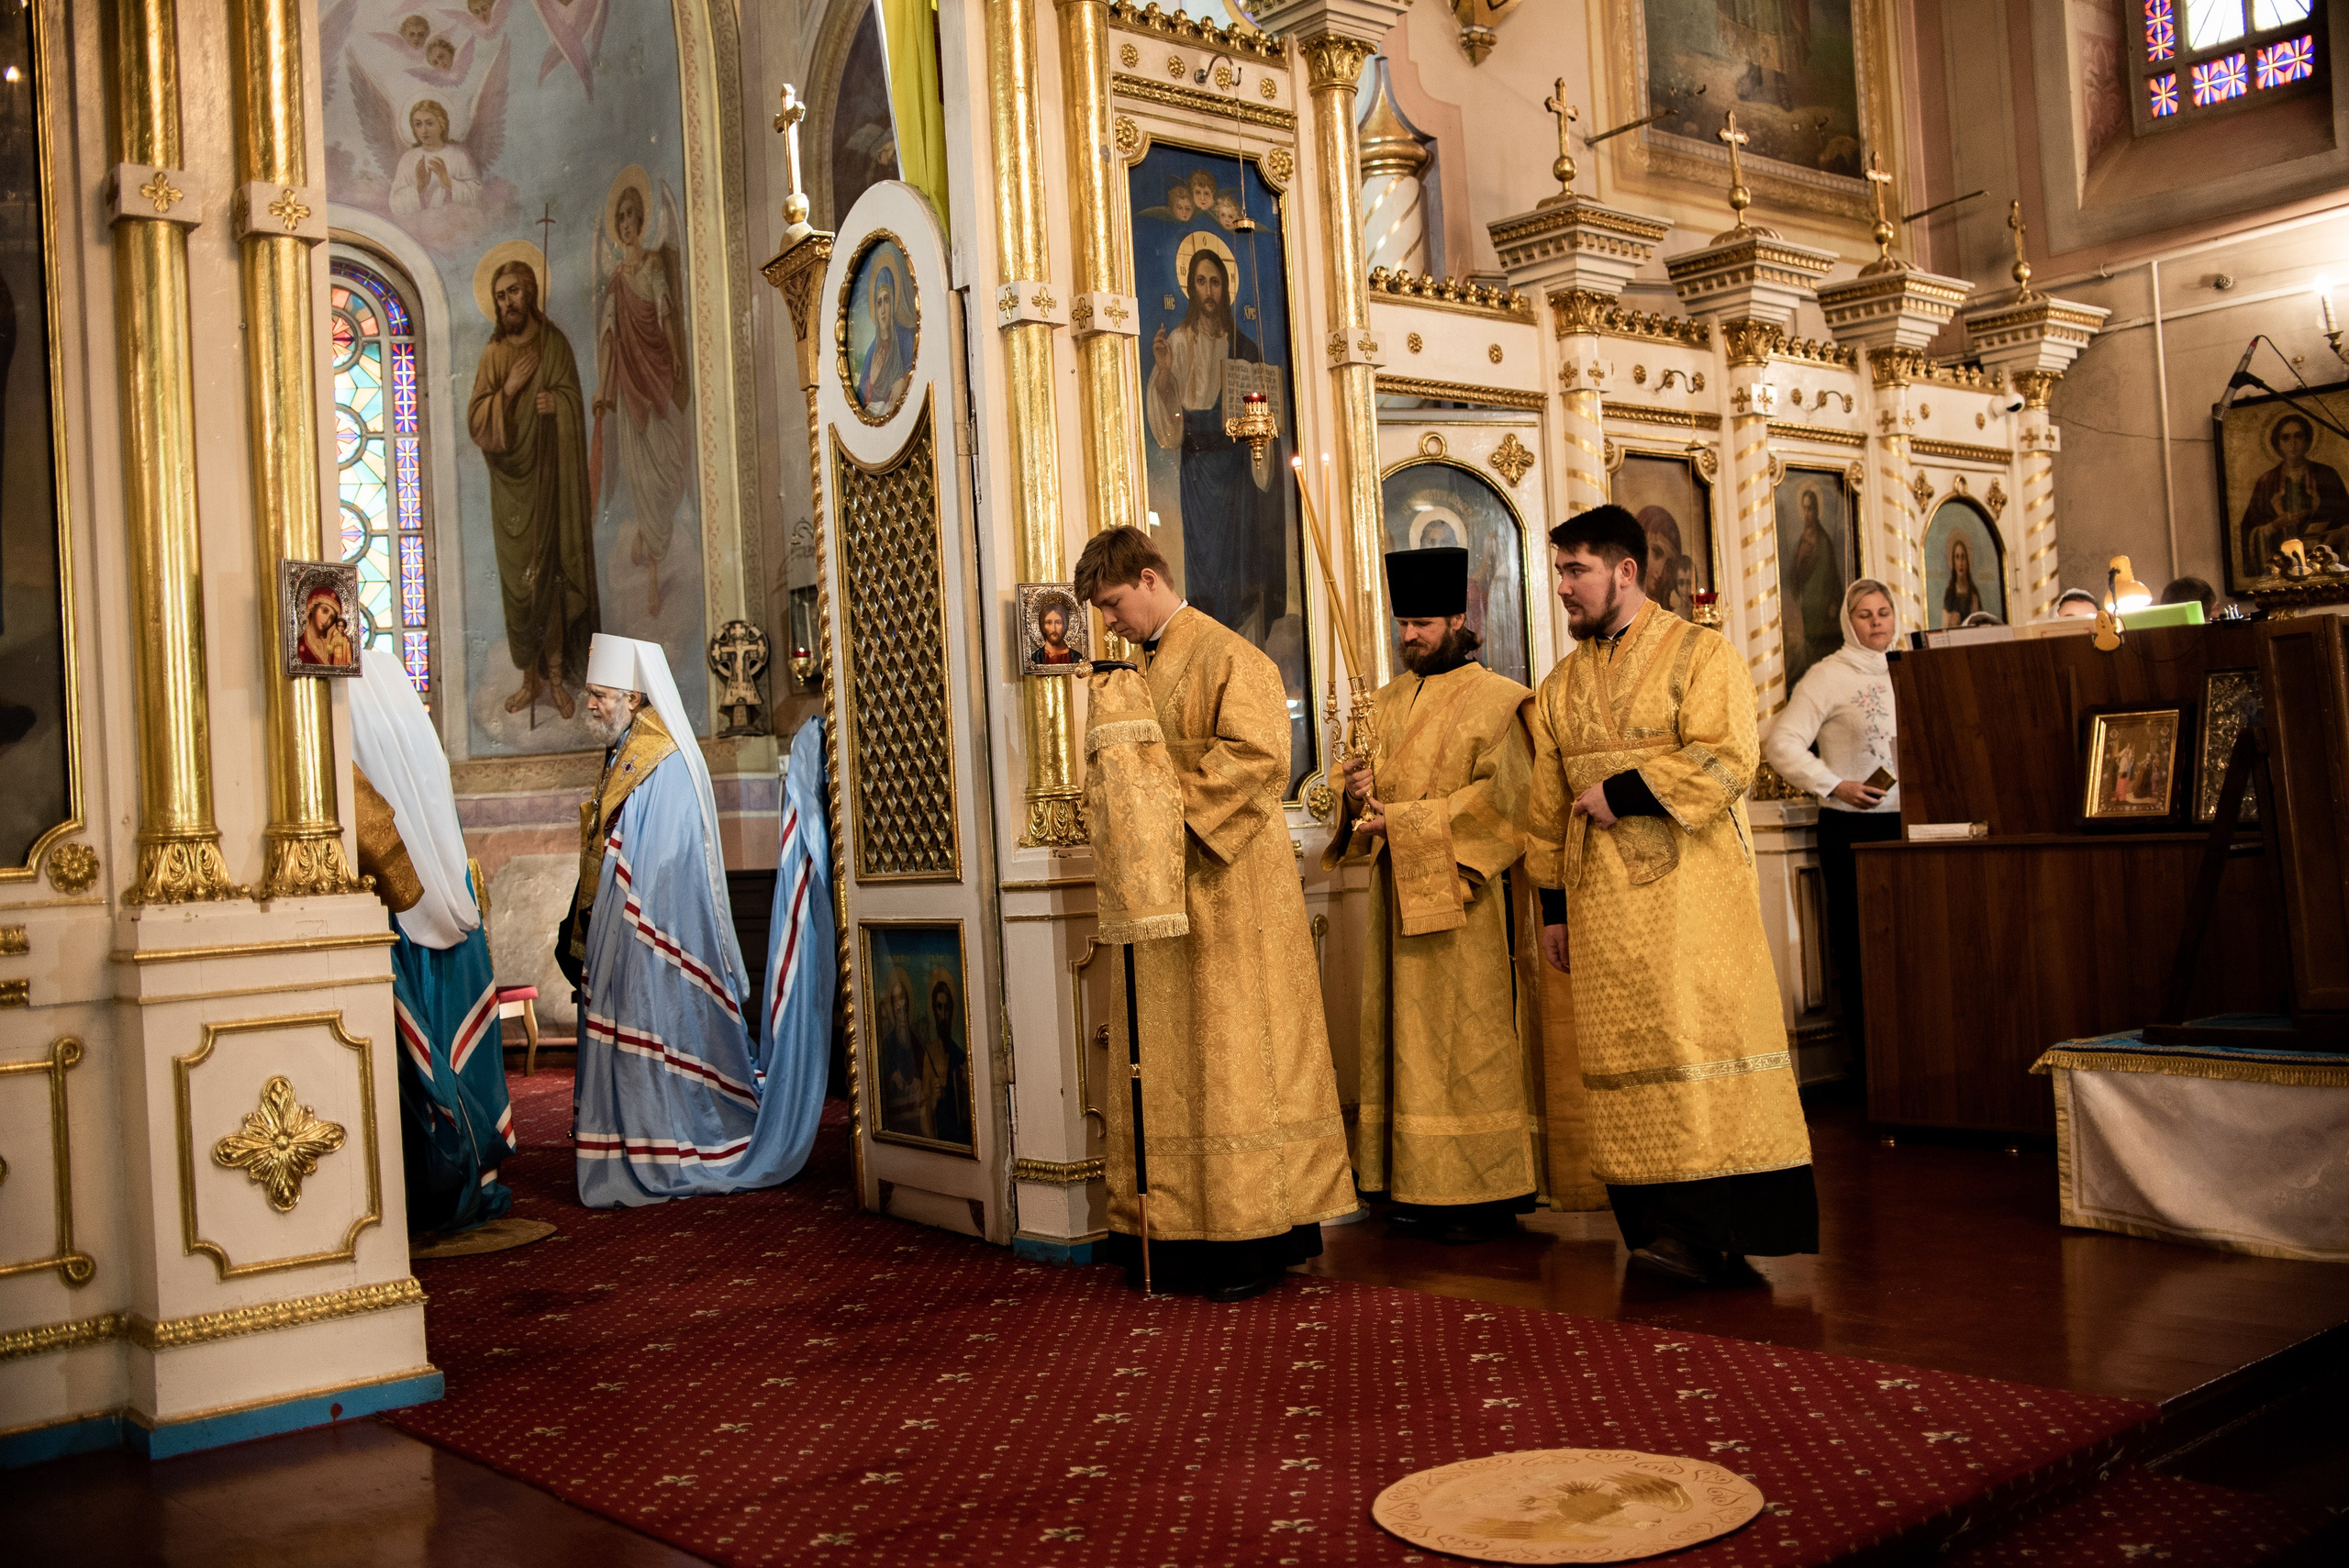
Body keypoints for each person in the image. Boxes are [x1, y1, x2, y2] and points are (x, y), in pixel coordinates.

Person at [1527, 506, 1818, 1287]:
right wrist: (1552, 910)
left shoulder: (1701, 654)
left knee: (1699, 1051)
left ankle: (1715, 1229)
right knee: (1628, 1060)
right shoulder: (1559, 687)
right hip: (1600, 913)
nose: (1564, 587)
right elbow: (1544, 808)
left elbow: (1729, 757)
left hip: (1694, 903)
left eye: (1577, 570)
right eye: (1560, 571)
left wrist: (1622, 791)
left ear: (1626, 571)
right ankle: (1658, 1227)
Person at [1075, 525, 1353, 1301]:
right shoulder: (1135, 671)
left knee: (1233, 1064)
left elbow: (1258, 757)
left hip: (1230, 897)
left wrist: (1163, 822)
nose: (1109, 621)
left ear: (1150, 577)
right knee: (1170, 1065)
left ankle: (1249, 1238)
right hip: (1157, 900)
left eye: (1113, 602)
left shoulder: (1233, 657)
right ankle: (1172, 1231)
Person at [1326, 547, 1543, 1243]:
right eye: (1403, 625)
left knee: (1466, 1040)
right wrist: (1356, 793)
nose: (1410, 636)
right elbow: (1361, 803)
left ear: (1457, 620)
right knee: (1404, 1039)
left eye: (1422, 624)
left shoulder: (1502, 701)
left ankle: (1482, 1191)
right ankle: (1416, 1182)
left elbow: (1508, 800)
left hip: (1465, 900)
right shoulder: (1385, 701)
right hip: (1396, 897)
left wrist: (1410, 821)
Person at [560, 634, 813, 1207]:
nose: (590, 705)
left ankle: (664, 1137)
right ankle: (628, 1136)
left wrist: (627, 924)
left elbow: (664, 860)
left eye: (600, 695)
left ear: (633, 697)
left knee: (657, 1037)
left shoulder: (664, 758)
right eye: (591, 693)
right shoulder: (625, 749)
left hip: (650, 934)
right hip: (622, 929)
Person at [349, 654, 515, 1237]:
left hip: (394, 915)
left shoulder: (356, 752)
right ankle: (471, 1164)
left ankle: (424, 1181)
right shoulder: (422, 750)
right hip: (447, 897)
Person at [1762, 579, 1901, 1066]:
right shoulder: (1826, 676)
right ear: (1848, 621)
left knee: (1913, 949)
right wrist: (1834, 784)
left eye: (1884, 612)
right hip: (1854, 829)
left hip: (1912, 827)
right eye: (1865, 614)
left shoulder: (1909, 667)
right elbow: (1781, 744)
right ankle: (1872, 1072)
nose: (1877, 622)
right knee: (1865, 951)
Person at [470, 257, 597, 719]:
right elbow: (478, 423)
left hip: (550, 486)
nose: (507, 302)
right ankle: (530, 681)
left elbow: (574, 404)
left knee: (552, 584)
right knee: (520, 589)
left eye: (514, 292)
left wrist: (556, 404)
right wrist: (508, 391)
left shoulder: (553, 344)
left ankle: (557, 680)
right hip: (511, 491)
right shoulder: (493, 356)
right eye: (500, 296)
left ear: (530, 292)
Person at [1143, 245, 1275, 632]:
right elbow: (1168, 418)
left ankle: (1234, 631)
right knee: (1202, 555)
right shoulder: (1178, 341)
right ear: (1190, 287)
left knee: (1234, 560)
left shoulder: (1243, 347)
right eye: (1201, 281)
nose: (1209, 291)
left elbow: (1261, 412)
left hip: (1233, 469)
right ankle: (1204, 632)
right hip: (1198, 469)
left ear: (1226, 289)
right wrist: (1164, 372)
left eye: (1215, 282)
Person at [596, 177, 692, 618]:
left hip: (656, 371)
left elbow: (665, 310)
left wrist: (674, 354)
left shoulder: (653, 264)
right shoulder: (615, 279)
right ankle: (653, 569)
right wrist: (603, 387)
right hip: (631, 386)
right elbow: (609, 335)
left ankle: (656, 540)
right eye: (620, 218)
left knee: (670, 465)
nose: (626, 224)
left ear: (642, 220)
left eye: (632, 216)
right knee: (641, 474)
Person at [2239, 414, 2349, 575]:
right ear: (2278, 443)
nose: (2293, 443)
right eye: (2286, 438)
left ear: (2307, 440)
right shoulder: (2266, 482)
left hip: (2324, 565)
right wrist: (2275, 525)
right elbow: (2249, 530)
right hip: (2284, 566)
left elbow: (2346, 517)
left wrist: (2341, 533)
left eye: (2298, 436)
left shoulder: (2327, 475)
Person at [854, 253, 917, 413]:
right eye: (879, 302)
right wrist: (872, 380)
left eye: (887, 300)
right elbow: (861, 401)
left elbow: (917, 368)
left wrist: (903, 380)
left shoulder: (906, 337)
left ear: (893, 302)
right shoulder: (872, 351)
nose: (882, 310)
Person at [297, 585, 354, 667]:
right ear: (312, 607)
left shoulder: (334, 646)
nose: (327, 620)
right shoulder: (299, 643)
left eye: (332, 618)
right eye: (324, 611)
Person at [1940, 533, 1987, 628]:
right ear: (1953, 562)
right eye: (1957, 557)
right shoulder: (1950, 593)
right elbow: (1943, 627)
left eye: (1963, 557)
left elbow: (1982, 625)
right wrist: (1951, 623)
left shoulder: (1973, 593)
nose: (1960, 562)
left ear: (1967, 562)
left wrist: (1976, 616)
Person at [1030, 600, 1080, 665]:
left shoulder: (1077, 658)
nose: (1054, 629)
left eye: (1058, 622)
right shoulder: (1035, 658)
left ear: (1065, 625)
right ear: (1043, 627)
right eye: (1048, 623)